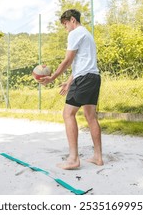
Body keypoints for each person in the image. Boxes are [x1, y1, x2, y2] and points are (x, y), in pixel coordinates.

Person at [39, 9, 103, 170]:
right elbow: (82, 64)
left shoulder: (74, 34)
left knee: (68, 114)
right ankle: (98, 157)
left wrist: (52, 77)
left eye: (65, 24)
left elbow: (68, 61)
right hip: (93, 78)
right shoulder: (87, 34)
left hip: (83, 79)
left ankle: (73, 158)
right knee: (91, 116)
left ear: (72, 20)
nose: (65, 27)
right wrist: (68, 82)